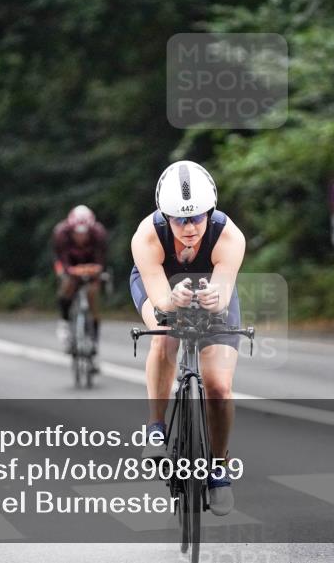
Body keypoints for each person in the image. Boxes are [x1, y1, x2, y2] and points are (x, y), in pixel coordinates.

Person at [130, 160, 246, 517]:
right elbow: (161, 300)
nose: (190, 227)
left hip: (210, 290)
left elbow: (223, 294)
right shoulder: (147, 235)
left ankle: (218, 465)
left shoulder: (229, 235)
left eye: (197, 217)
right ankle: (155, 426)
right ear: (165, 217)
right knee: (164, 331)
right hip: (161, 287)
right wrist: (172, 301)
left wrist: (214, 299)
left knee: (219, 386)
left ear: (210, 211)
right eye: (180, 220)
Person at [52, 205, 108, 365]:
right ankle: (64, 322)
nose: (81, 237)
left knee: (92, 295)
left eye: (85, 233)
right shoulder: (61, 233)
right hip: (69, 265)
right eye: (77, 233)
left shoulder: (99, 234)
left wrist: (97, 270)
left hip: (91, 265)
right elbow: (60, 259)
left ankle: (94, 338)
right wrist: (69, 271)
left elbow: (101, 259)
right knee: (67, 285)